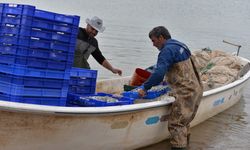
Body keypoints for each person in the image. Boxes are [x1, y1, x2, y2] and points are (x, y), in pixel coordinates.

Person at [137, 26, 203, 150]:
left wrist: (145, 87)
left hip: (185, 93)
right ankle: (187, 145)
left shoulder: (166, 51)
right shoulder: (180, 45)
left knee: (176, 124)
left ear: (161, 38)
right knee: (185, 123)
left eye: (153, 41)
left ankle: (179, 147)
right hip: (196, 90)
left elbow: (158, 74)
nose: (153, 44)